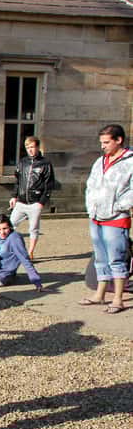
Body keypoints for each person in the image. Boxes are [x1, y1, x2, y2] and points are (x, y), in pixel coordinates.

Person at [81, 124, 133, 314]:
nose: (102, 146)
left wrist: (119, 206)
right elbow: (90, 185)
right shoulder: (99, 161)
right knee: (100, 258)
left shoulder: (130, 162)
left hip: (116, 217)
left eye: (106, 142)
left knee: (116, 259)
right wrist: (90, 206)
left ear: (119, 140)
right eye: (101, 142)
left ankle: (118, 299)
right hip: (96, 216)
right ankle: (100, 294)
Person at [10, 136, 54, 259]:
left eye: (32, 147)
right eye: (28, 147)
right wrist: (14, 196)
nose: (30, 150)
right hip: (21, 201)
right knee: (10, 225)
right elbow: (17, 181)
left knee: (33, 229)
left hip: (35, 202)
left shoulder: (45, 163)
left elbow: (49, 184)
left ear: (38, 147)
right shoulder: (22, 162)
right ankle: (10, 249)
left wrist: (42, 202)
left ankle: (30, 252)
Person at [0, 215, 43, 292]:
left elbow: (25, 260)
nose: (2, 232)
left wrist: (37, 282)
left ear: (10, 227)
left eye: (5, 228)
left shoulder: (14, 238)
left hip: (3, 276)